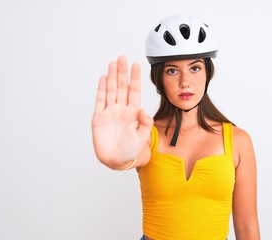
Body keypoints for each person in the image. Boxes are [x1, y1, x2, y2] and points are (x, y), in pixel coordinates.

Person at [92, 15, 260, 240]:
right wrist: (115, 158)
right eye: (172, 70)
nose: (185, 81)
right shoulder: (147, 135)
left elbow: (248, 229)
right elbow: (129, 157)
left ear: (208, 72)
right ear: (159, 78)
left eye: (195, 68)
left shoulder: (238, 141)